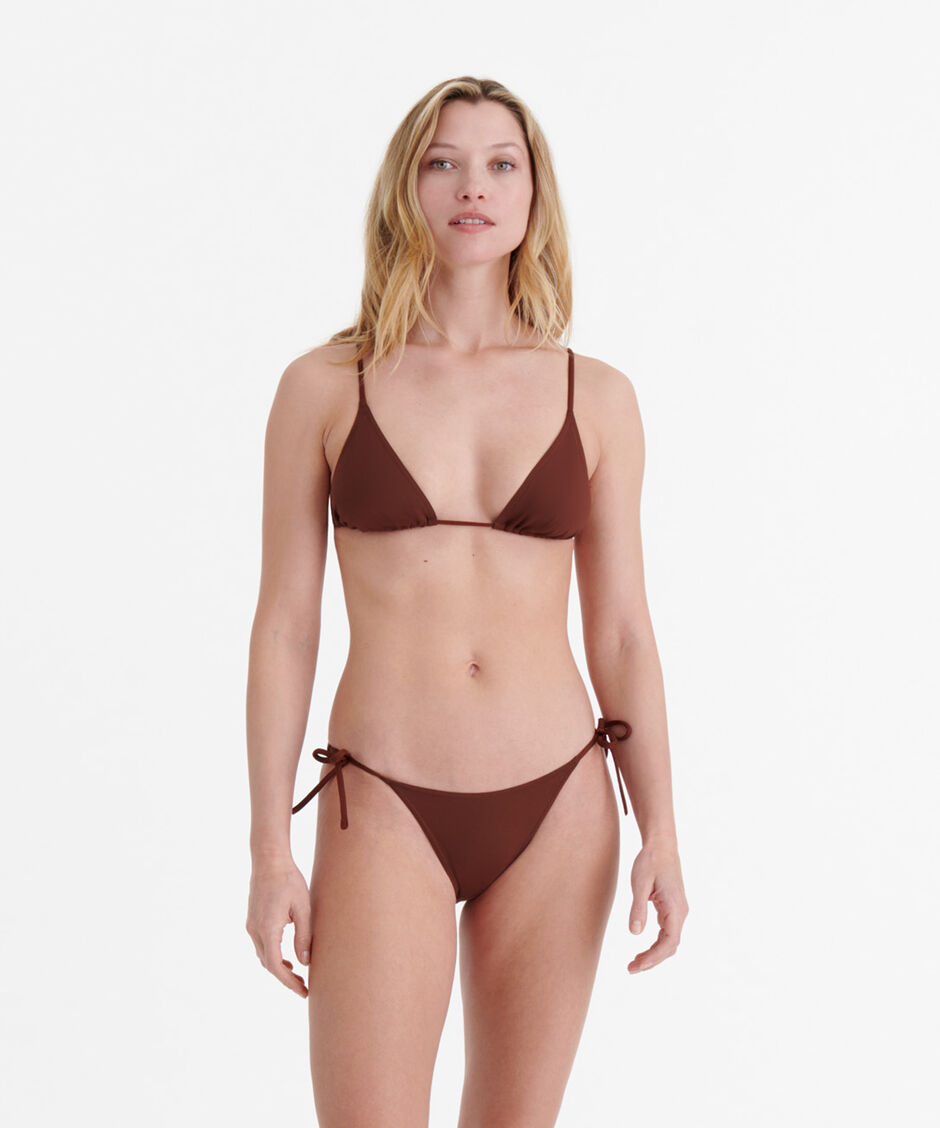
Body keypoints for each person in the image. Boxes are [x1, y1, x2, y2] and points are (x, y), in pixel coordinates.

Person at [245, 75, 688, 1127]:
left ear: (534, 195)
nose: (472, 187)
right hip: (383, 798)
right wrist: (268, 849)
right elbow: (286, 626)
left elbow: (623, 629)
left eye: (500, 164)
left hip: (559, 801)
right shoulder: (325, 384)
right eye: (442, 162)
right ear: (406, 188)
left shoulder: (599, 395)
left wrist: (662, 829)